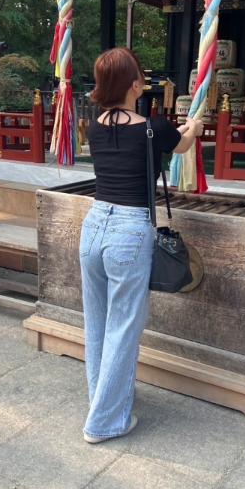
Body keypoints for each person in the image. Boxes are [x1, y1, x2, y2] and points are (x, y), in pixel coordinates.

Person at [80, 47, 203, 443]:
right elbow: (182, 145)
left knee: (98, 323)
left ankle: (102, 403)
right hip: (129, 233)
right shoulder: (153, 127)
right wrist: (195, 126)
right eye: (140, 76)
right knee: (123, 328)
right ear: (134, 84)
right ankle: (105, 423)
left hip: (94, 225)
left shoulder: (94, 126)